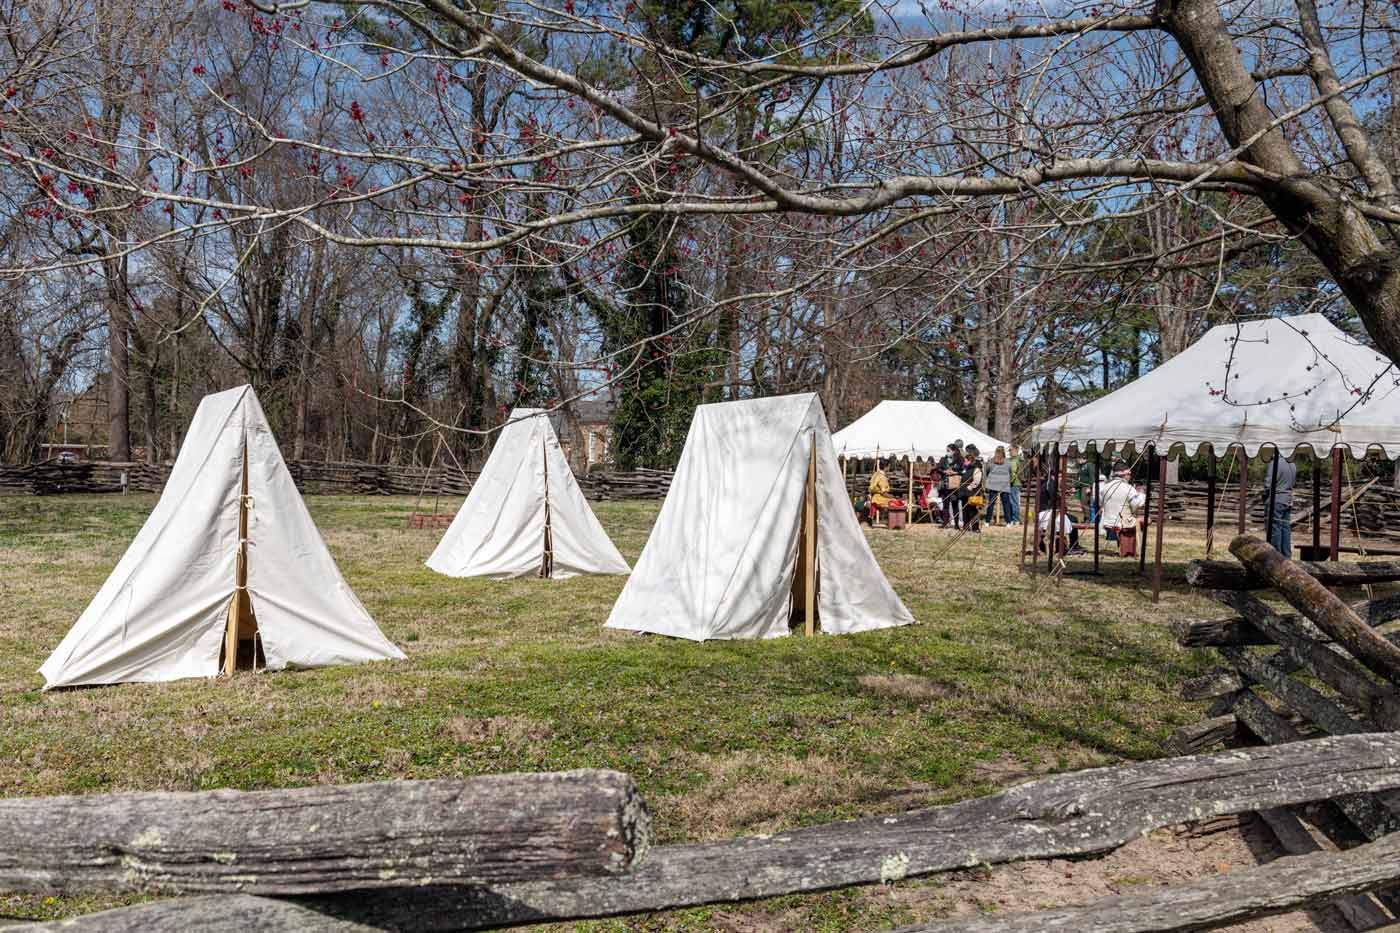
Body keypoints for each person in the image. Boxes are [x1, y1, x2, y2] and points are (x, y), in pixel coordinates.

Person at [1099, 462, 1147, 541]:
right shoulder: (1128, 488)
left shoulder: (1105, 487)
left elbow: (1101, 503)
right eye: (1129, 474)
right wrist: (1142, 494)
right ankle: (1128, 545)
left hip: (1106, 522)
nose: (1130, 477)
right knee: (1147, 520)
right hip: (1122, 523)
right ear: (1126, 475)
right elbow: (1137, 504)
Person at [1265, 449, 1297, 557]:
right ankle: (1286, 555)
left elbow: (1268, 484)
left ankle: (1276, 555)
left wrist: (1264, 495)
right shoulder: (1292, 464)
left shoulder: (1275, 463)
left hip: (1276, 499)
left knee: (1274, 528)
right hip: (1287, 499)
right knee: (1285, 528)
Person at [936, 441, 965, 528]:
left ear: (954, 450)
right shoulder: (943, 459)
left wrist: (954, 472)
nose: (947, 452)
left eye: (949, 450)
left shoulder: (960, 459)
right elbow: (938, 469)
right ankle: (945, 522)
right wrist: (944, 471)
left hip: (954, 485)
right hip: (945, 485)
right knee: (945, 505)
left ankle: (956, 524)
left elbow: (963, 471)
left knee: (954, 504)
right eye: (947, 450)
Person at [958, 444, 986, 532]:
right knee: (965, 510)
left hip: (972, 493)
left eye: (966, 460)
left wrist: (969, 488)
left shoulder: (976, 468)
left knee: (972, 511)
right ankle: (966, 527)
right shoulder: (966, 468)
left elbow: (977, 481)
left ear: (970, 460)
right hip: (964, 493)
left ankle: (975, 528)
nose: (964, 461)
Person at [985, 446, 1015, 526]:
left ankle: (987, 521)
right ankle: (1008, 522)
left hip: (993, 484)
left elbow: (987, 471)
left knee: (991, 504)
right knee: (1006, 504)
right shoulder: (1008, 462)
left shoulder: (991, 461)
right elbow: (1011, 472)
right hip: (1004, 485)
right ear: (1004, 452)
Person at [868, 458, 893, 522]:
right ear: (885, 467)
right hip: (879, 499)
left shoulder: (876, 474)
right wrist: (893, 497)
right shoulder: (882, 477)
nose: (889, 468)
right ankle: (890, 520)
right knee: (895, 502)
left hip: (874, 497)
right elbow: (883, 493)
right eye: (889, 466)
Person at [1007, 444, 1024, 525]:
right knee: (1010, 502)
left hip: (1015, 483)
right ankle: (1011, 519)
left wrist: (1011, 480)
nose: (1009, 452)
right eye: (1009, 450)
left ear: (1015, 450)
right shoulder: (1010, 459)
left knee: (1014, 502)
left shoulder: (1018, 459)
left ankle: (1015, 519)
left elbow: (1016, 472)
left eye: (1011, 450)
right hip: (1009, 483)